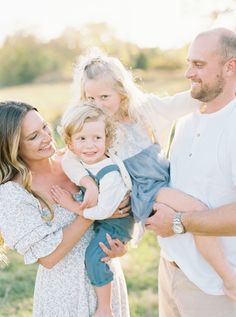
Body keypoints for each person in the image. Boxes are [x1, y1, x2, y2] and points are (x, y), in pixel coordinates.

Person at [62, 49, 236, 310]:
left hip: (162, 184)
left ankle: (214, 273)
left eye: (104, 96)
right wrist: (86, 183)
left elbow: (185, 101)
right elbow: (69, 157)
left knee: (194, 214)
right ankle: (228, 276)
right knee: (198, 211)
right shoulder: (94, 124)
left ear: (123, 91)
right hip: (146, 191)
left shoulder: (147, 110)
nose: (96, 104)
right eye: (90, 97)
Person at [0, 101, 131, 317]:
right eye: (33, 136)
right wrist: (91, 213)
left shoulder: (77, 158)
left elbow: (118, 210)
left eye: (44, 126)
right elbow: (49, 258)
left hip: (105, 280)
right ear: (13, 147)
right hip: (65, 294)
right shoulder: (12, 192)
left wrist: (120, 246)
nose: (46, 137)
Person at [145, 28, 236, 317]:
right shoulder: (183, 120)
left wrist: (178, 223)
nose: (188, 73)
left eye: (198, 64)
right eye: (188, 63)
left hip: (217, 287)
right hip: (170, 270)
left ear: (230, 67)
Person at [51, 103, 134, 317]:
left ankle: (105, 308)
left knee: (94, 256)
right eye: (82, 139)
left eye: (97, 138)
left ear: (107, 139)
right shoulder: (77, 156)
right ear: (69, 142)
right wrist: (87, 183)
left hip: (115, 222)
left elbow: (103, 212)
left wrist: (70, 205)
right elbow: (69, 160)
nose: (90, 146)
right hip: (102, 215)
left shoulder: (110, 174)